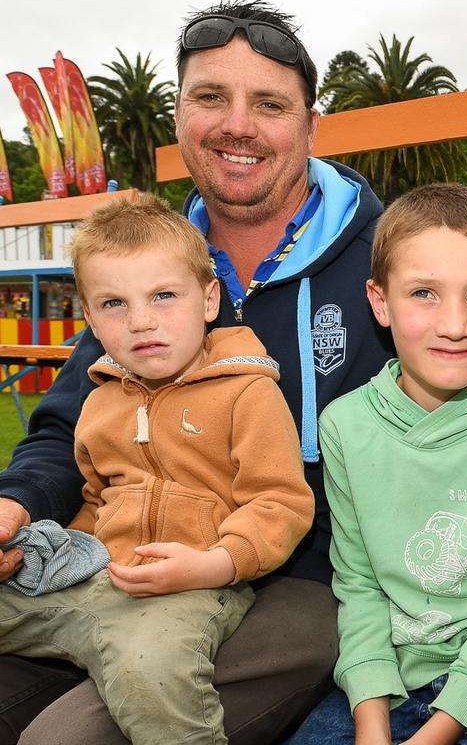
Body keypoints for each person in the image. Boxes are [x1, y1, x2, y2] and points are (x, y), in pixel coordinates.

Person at [0, 0, 467, 745]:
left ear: (311, 125)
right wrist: (17, 505)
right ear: (180, 115)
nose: (238, 126)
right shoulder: (147, 267)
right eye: (210, 98)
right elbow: (65, 431)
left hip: (309, 581)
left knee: (68, 738)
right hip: (124, 562)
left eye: (270, 104)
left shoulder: (392, 258)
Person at [0, 193, 314, 744]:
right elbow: (97, 498)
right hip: (97, 580)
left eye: (164, 296)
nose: (142, 321)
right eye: (114, 304)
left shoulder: (248, 393)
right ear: (91, 316)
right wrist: (54, 548)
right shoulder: (100, 399)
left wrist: (213, 564)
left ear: (209, 298)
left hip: (196, 585)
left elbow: (279, 503)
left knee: (152, 671)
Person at [286, 184, 467, 745]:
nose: (455, 324)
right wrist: (372, 722)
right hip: (387, 674)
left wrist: (434, 733)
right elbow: (359, 586)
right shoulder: (344, 427)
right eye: (424, 293)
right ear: (379, 301)